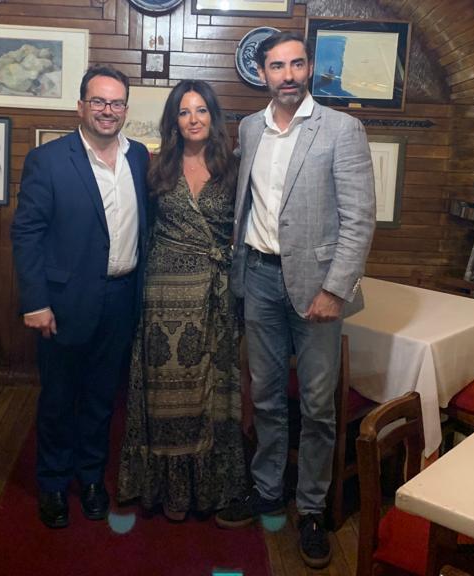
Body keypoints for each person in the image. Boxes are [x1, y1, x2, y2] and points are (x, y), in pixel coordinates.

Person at [215, 31, 375, 569]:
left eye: (296, 64)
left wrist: (335, 289)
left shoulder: (342, 130)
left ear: (310, 70)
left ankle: (310, 509)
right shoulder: (250, 128)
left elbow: (359, 219)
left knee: (316, 404)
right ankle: (266, 490)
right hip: (257, 276)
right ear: (262, 73)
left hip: (316, 288)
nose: (287, 75)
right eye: (277, 66)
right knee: (263, 396)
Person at [12, 65, 149, 529]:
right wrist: (35, 301)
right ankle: (52, 483)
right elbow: (27, 232)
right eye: (98, 101)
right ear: (81, 106)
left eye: (116, 103)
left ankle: (91, 478)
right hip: (64, 303)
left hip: (122, 298)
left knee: (100, 399)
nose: (107, 111)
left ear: (125, 109)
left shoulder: (139, 158)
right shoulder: (49, 160)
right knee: (58, 398)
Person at [117, 80, 244, 521]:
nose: (194, 119)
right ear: (174, 120)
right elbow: (142, 227)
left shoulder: (234, 167)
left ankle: (209, 488)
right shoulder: (156, 167)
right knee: (164, 393)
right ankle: (165, 489)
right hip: (164, 296)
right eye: (184, 112)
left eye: (201, 110)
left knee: (213, 392)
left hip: (216, 294)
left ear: (213, 116)